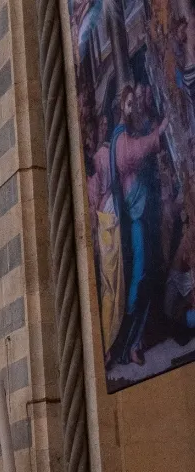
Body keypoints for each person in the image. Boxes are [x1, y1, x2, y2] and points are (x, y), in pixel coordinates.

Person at [108, 83, 170, 366]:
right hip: (135, 215)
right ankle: (130, 342)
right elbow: (131, 155)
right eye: (129, 103)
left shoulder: (128, 132)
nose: (133, 107)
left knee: (148, 270)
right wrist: (158, 134)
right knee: (140, 274)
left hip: (142, 211)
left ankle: (139, 338)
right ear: (122, 107)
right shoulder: (120, 138)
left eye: (135, 102)